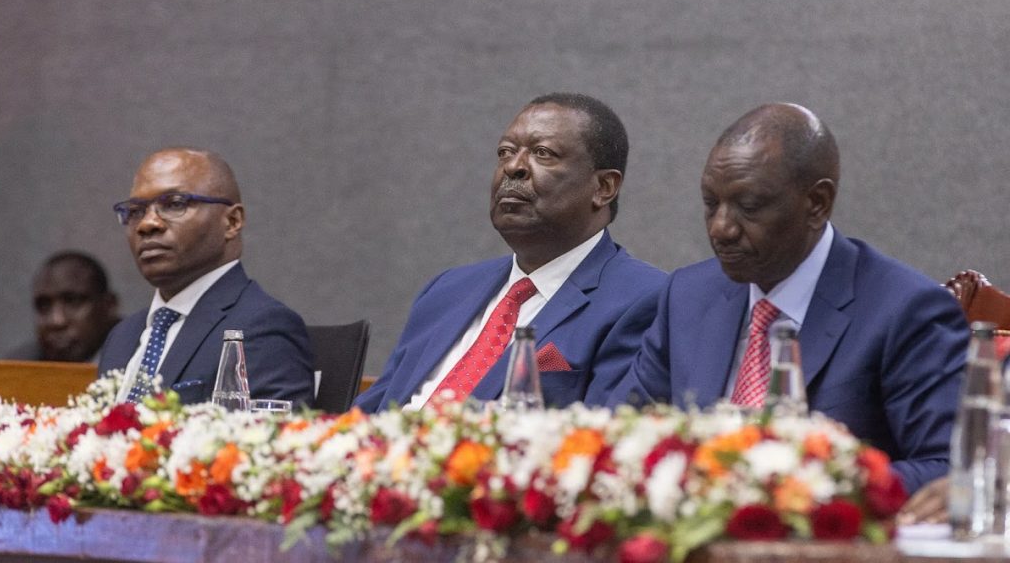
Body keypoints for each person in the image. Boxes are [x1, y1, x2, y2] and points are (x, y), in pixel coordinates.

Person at [608, 102, 969, 494]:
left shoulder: (905, 309)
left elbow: (951, 467)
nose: (721, 228)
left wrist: (804, 488)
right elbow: (625, 433)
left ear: (816, 204)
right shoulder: (687, 296)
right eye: (711, 204)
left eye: (748, 207)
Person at [355, 93, 669, 412]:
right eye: (505, 152)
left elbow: (604, 439)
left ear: (603, 187)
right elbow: (370, 411)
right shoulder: (447, 290)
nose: (513, 167)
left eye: (542, 153)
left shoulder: (645, 300)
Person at [98, 148, 314, 406]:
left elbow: (264, 443)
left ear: (232, 221)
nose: (147, 224)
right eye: (135, 211)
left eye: (175, 204)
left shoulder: (262, 327)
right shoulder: (122, 335)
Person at [20, 251, 120, 362]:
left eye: (73, 302)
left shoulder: (138, 362)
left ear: (109, 306)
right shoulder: (20, 366)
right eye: (44, 306)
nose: (57, 321)